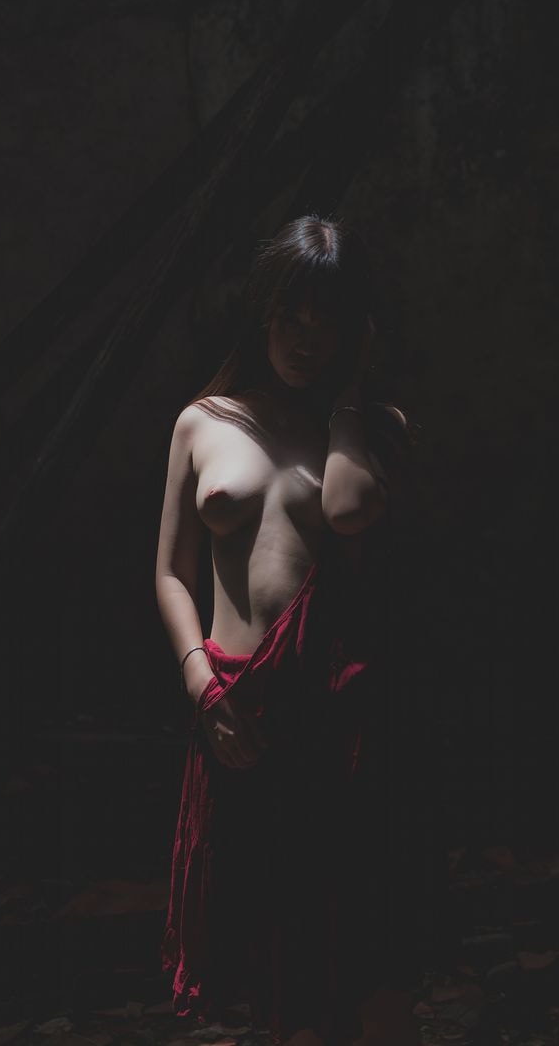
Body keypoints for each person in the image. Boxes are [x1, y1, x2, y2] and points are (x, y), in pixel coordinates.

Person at [157, 214, 437, 1045]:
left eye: (327, 322)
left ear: (355, 331)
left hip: (336, 709)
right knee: (271, 947)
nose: (305, 339)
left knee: (361, 948)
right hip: (235, 703)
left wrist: (349, 404)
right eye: (290, 316)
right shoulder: (203, 422)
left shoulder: (374, 430)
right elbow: (170, 572)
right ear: (263, 313)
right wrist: (201, 684)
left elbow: (347, 511)